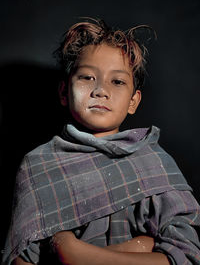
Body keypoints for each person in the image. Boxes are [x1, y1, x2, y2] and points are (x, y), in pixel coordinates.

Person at [2, 18, 200, 265]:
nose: (100, 91)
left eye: (117, 81)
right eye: (87, 77)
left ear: (133, 101)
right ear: (64, 92)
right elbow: (21, 258)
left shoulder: (155, 165)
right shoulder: (38, 166)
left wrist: (71, 251)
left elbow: (187, 256)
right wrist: (140, 247)